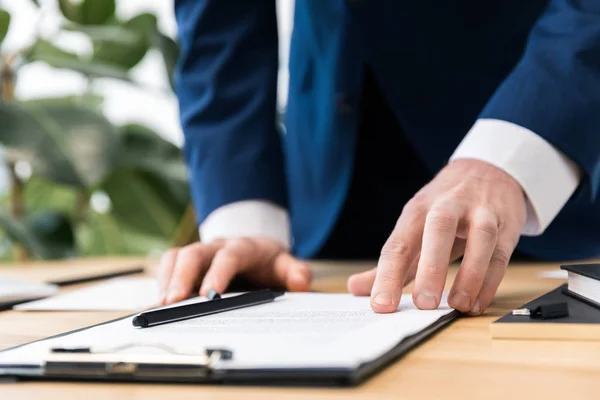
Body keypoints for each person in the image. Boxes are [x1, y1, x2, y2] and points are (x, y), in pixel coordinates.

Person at [159, 1, 600, 316]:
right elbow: (219, 27)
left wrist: (511, 154)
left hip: (537, 151)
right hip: (329, 194)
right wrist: (247, 221)